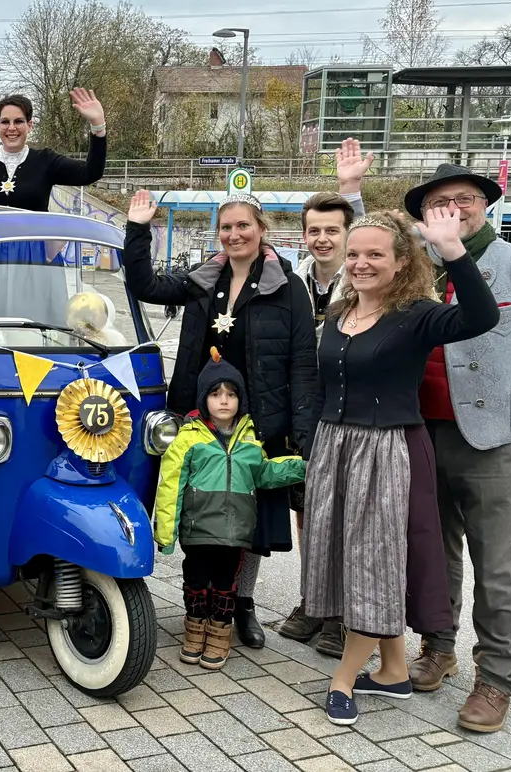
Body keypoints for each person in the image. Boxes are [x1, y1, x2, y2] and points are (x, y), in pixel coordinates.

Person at [302, 208, 498, 727]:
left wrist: (453, 251)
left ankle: (343, 678)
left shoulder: (415, 315)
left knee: (372, 564)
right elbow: (324, 384)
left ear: (401, 261)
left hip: (384, 450)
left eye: (374, 255)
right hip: (334, 447)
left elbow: (482, 317)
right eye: (355, 254)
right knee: (349, 557)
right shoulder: (338, 311)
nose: (361, 263)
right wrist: (311, 446)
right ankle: (392, 670)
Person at [125, 190, 319, 648]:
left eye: (243, 226)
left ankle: (241, 604)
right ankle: (199, 603)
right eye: (226, 227)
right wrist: (136, 230)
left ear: (261, 230)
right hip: (199, 420)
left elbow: (302, 364)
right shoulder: (201, 280)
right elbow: (145, 286)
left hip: (256, 422)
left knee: (246, 521)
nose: (234, 235)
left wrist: (301, 430)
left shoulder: (288, 289)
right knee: (203, 506)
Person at [401, 163, 511, 734]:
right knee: (435, 551)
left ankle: (499, 676)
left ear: (484, 204)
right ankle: (439, 646)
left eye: (464, 198)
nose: (453, 208)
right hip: (422, 430)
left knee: (496, 562)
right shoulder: (418, 270)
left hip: (492, 437)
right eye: (439, 201)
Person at [153, 349, 306, 671]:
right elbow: (170, 485)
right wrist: (165, 531)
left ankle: (219, 636)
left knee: (226, 585)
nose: (224, 400)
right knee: (196, 580)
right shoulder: (188, 439)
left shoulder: (251, 441)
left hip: (235, 534)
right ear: (203, 399)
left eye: (231, 394)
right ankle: (194, 631)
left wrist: (302, 467)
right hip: (198, 532)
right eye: (216, 393)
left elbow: (264, 474)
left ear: (241, 400)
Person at [280, 138, 370, 657]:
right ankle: (315, 599)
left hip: (354, 412)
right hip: (309, 414)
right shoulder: (296, 284)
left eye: (331, 231)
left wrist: (350, 190)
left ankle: (342, 615)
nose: (321, 239)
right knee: (309, 511)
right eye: (313, 230)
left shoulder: (361, 280)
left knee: (348, 517)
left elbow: (368, 234)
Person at [0, 90, 106, 212]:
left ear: (30, 126)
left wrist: (98, 125)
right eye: (5, 122)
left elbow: (90, 172)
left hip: (34, 238)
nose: (11, 128)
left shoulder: (46, 160)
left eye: (18, 121)